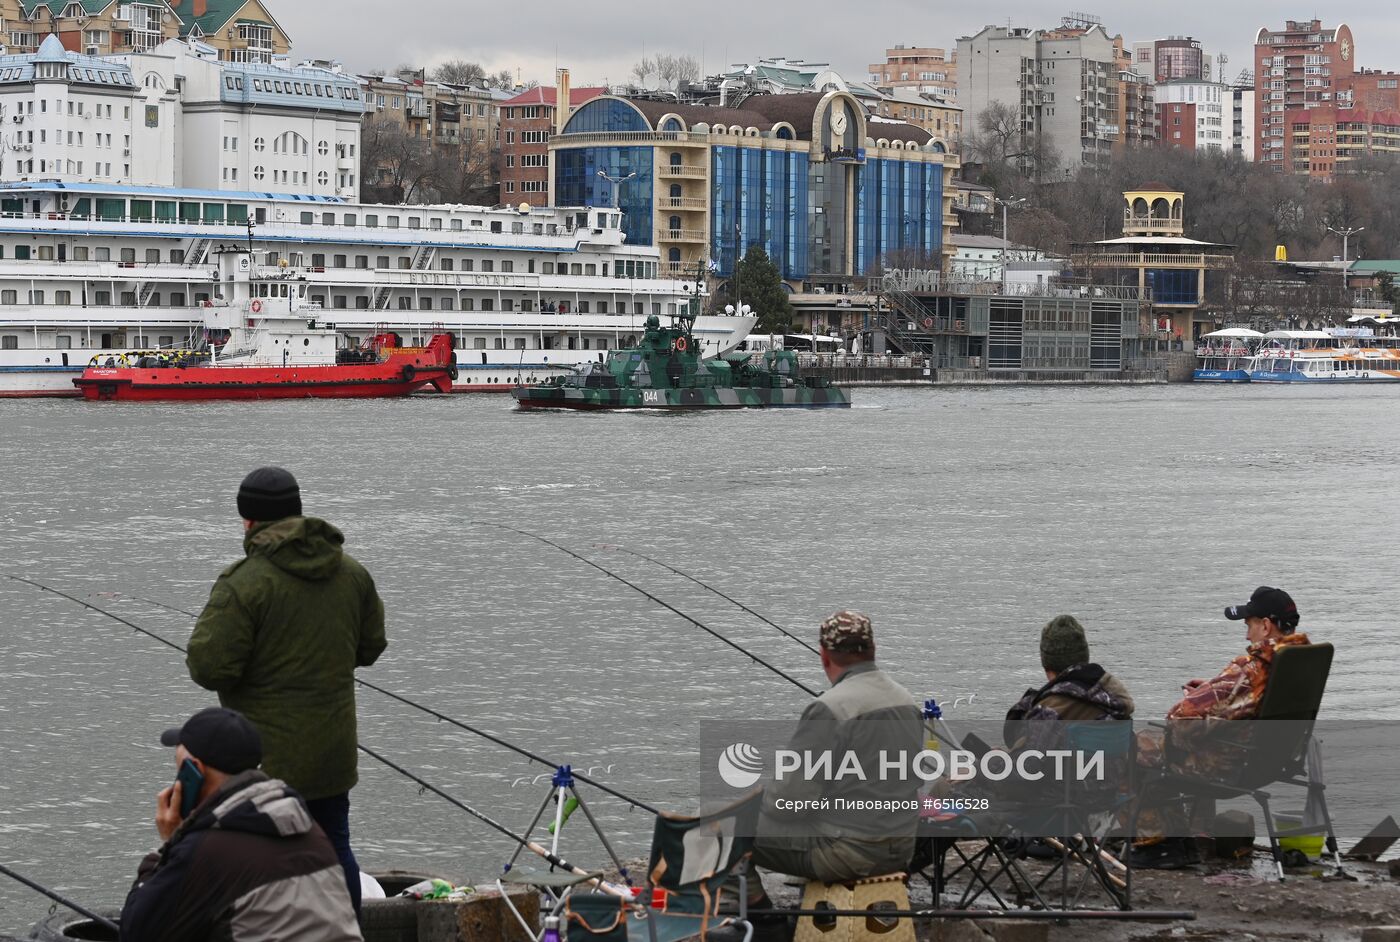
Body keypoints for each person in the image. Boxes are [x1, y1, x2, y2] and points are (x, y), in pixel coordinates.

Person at [186, 467, 387, 911]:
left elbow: (209, 667)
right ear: (297, 509)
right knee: (334, 849)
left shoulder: (244, 583)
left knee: (260, 864)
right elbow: (371, 646)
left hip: (264, 760)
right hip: (333, 753)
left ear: (249, 520)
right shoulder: (351, 573)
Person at [118, 707, 362, 942]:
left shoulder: (207, 851)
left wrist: (171, 844)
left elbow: (137, 932)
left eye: (180, 767)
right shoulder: (308, 829)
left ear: (195, 772)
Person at [749, 610, 923, 909]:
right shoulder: (906, 701)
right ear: (873, 650)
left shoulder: (829, 708)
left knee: (716, 826)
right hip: (901, 848)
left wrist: (756, 801)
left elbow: (788, 803)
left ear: (824, 655)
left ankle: (762, 921)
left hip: (847, 852)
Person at [1132, 586, 1311, 869]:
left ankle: (1161, 845)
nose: (1246, 635)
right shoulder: (1302, 662)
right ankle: (1200, 836)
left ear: (1265, 626)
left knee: (1139, 743)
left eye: (1249, 625)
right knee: (1209, 733)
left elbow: (1179, 718)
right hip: (1270, 763)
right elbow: (1251, 701)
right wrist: (1213, 690)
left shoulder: (1248, 669)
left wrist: (1197, 698)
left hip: (1229, 769)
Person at [1003, 614, 1135, 754]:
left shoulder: (1049, 712)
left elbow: (1023, 770)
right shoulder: (1113, 699)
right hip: (1111, 775)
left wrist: (991, 761)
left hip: (1063, 775)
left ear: (1047, 667)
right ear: (1084, 658)